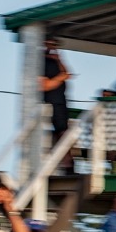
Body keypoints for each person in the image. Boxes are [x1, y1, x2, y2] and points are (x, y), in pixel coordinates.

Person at [41, 36, 74, 172]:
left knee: (64, 134)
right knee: (60, 134)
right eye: (50, 44)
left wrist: (59, 59)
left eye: (54, 44)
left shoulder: (55, 60)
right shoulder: (40, 61)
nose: (52, 47)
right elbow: (46, 85)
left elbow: (67, 73)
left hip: (61, 102)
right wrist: (61, 77)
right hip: (51, 103)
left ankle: (68, 165)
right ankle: (65, 164)